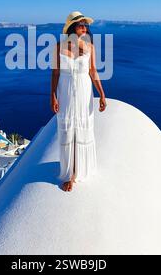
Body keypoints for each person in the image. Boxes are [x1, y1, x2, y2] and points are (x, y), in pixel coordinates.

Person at [50, 11, 107, 192]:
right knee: (68, 130)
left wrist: (102, 94)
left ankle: (77, 172)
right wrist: (53, 95)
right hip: (65, 91)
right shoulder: (59, 46)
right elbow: (56, 73)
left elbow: (93, 72)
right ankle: (68, 174)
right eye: (80, 24)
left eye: (85, 25)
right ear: (72, 27)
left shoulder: (90, 48)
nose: (84, 28)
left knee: (81, 128)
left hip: (83, 91)